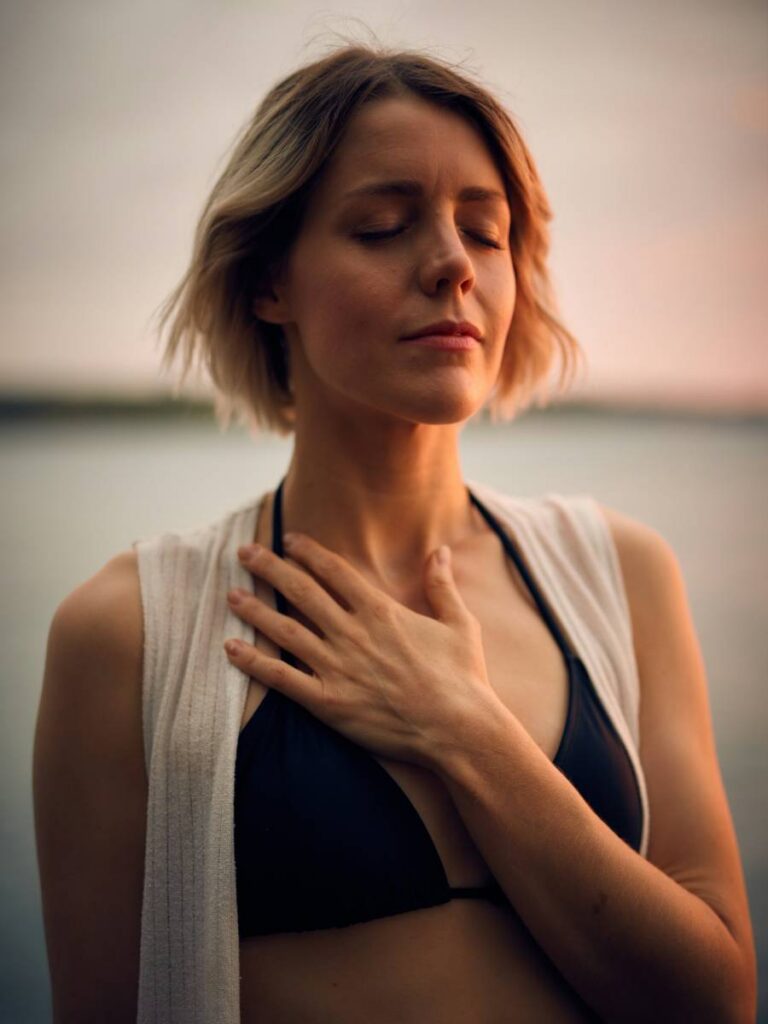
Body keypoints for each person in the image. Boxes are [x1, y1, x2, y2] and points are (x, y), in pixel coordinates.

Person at [33, 40, 757, 1024]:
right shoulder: (129, 634)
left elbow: (718, 998)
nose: (454, 264)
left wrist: (464, 727)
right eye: (383, 226)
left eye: (486, 232)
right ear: (269, 281)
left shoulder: (621, 575)